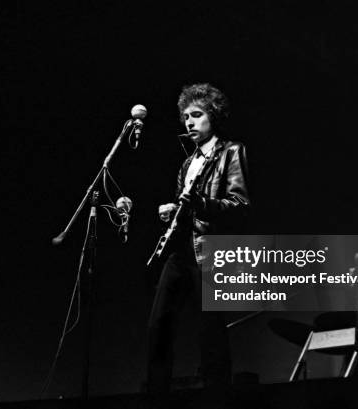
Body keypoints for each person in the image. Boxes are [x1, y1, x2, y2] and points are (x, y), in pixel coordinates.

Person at [147, 83, 251, 408]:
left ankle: (218, 397)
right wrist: (171, 211)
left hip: (209, 250)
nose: (189, 122)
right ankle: (155, 395)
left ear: (213, 116)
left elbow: (240, 204)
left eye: (197, 115)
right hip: (180, 251)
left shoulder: (232, 151)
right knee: (158, 324)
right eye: (185, 117)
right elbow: (185, 208)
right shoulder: (186, 164)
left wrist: (201, 203)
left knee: (210, 331)